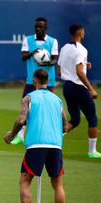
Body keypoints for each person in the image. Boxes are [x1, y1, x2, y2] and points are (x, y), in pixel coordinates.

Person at [4, 69, 67, 203]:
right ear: (48, 81)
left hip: (36, 144)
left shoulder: (29, 97)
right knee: (58, 184)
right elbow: (65, 125)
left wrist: (12, 134)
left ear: (34, 80)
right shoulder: (58, 100)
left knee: (25, 181)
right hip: (56, 145)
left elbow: (21, 120)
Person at [11, 17, 59, 145]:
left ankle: (48, 134)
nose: (38, 29)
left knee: (47, 108)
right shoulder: (28, 40)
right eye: (36, 26)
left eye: (40, 27)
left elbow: (54, 60)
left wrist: (46, 62)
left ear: (45, 27)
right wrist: (33, 53)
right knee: (25, 107)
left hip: (47, 82)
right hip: (31, 81)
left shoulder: (53, 41)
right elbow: (23, 57)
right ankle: (20, 136)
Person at [58, 24, 100, 158]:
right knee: (92, 117)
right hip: (78, 87)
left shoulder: (64, 48)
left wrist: (84, 65)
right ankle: (92, 151)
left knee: (75, 120)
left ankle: (54, 137)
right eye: (83, 31)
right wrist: (91, 89)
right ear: (80, 32)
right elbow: (79, 72)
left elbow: (59, 70)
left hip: (67, 87)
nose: (84, 33)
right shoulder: (81, 49)